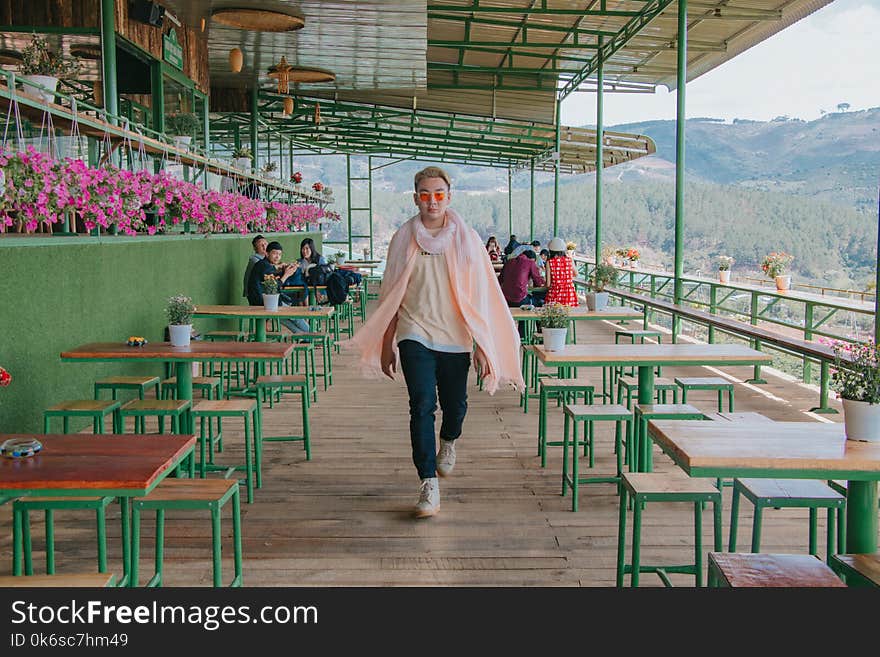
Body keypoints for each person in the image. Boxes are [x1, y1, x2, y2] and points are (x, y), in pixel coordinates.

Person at [340, 166, 524, 519]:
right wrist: (386, 343)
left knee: (455, 407)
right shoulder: (403, 238)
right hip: (415, 332)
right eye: (425, 194)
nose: (432, 200)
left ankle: (449, 441)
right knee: (421, 404)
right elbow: (392, 293)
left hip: (456, 337)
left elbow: (482, 296)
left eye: (439, 193)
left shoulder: (467, 239)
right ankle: (428, 482)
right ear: (415, 198)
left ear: (449, 196)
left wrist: (484, 346)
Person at [247, 241, 310, 334]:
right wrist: (286, 275)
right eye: (275, 253)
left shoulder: (266, 265)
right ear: (267, 253)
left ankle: (306, 337)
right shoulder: (263, 266)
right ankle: (314, 335)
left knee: (284, 319)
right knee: (295, 316)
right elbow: (274, 286)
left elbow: (275, 283)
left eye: (280, 254)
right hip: (264, 303)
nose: (277, 257)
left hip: (266, 302)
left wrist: (285, 271)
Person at [499, 247, 545, 339]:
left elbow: (500, 280)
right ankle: (531, 335)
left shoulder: (508, 262)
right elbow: (539, 282)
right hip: (520, 300)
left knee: (525, 302)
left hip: (505, 300)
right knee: (539, 302)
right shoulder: (530, 263)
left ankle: (510, 336)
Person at [544, 237, 579, 306]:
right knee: (569, 313)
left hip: (555, 294)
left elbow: (548, 284)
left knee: (554, 314)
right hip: (569, 294)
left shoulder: (549, 262)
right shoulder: (570, 260)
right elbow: (576, 274)